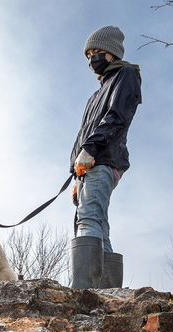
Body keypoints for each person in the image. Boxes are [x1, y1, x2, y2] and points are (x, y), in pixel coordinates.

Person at [70, 25, 142, 289]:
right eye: (88, 55)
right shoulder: (95, 96)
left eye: (98, 52)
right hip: (87, 166)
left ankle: (83, 292)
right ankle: (108, 292)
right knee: (99, 224)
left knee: (88, 218)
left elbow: (118, 118)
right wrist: (74, 174)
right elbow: (82, 135)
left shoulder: (127, 74)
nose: (92, 59)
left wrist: (90, 150)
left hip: (103, 159)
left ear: (112, 53)